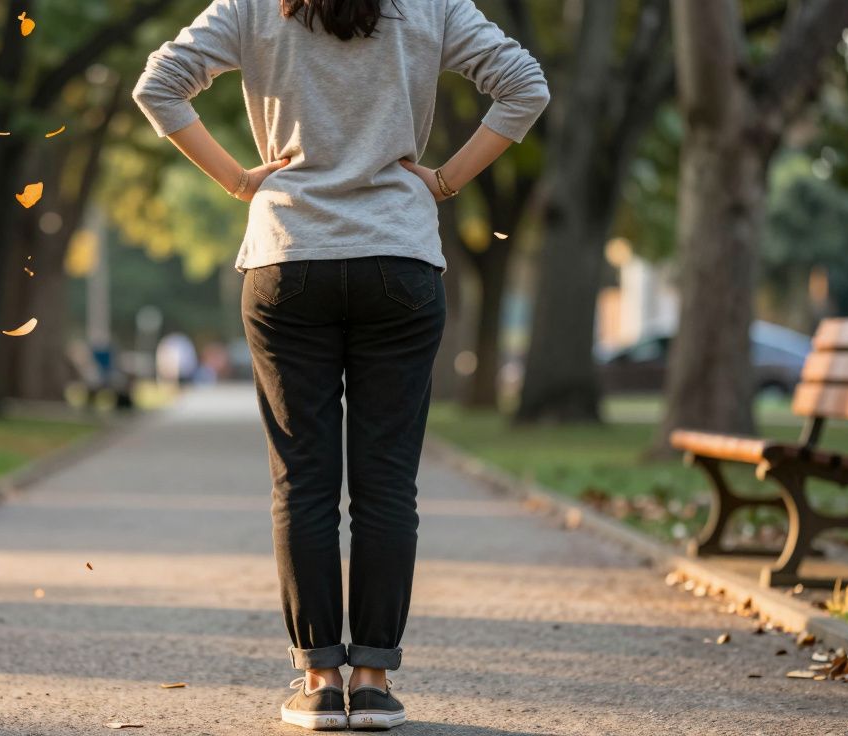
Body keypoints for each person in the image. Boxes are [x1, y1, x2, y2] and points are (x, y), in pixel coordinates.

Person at [132, 0, 548, 730]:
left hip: (289, 257)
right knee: (387, 483)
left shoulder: (251, 7)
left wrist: (240, 181)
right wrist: (444, 181)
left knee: (303, 482)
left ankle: (321, 680)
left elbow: (158, 85)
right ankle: (375, 681)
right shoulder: (432, 6)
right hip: (399, 260)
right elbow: (525, 86)